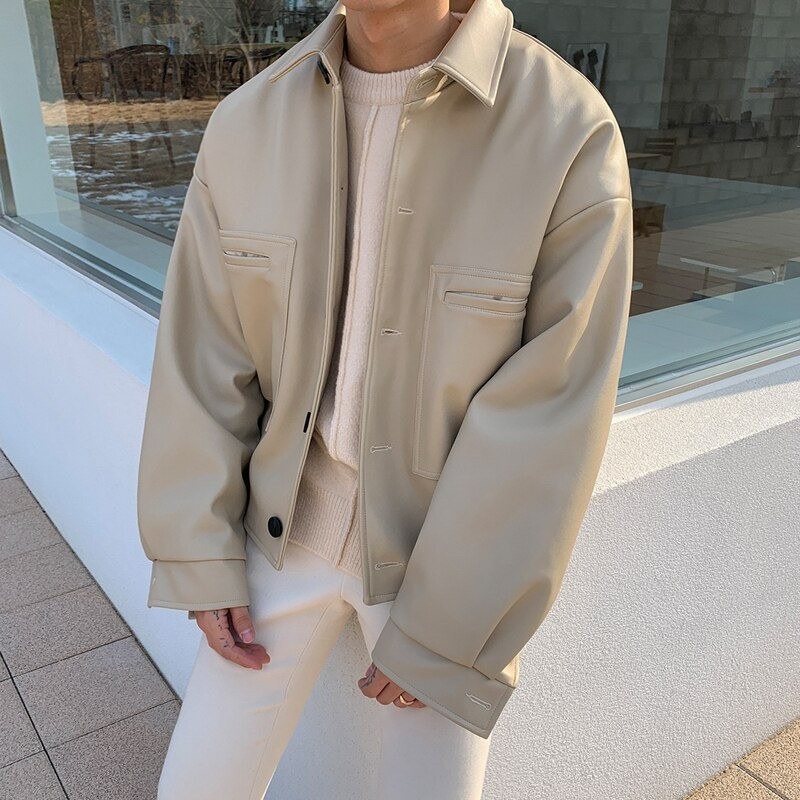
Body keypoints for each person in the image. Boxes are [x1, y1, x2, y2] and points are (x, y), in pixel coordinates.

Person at [136, 0, 634, 795]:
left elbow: (555, 411)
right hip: (279, 534)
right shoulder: (246, 124)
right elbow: (204, 353)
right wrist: (200, 552)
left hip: (441, 559)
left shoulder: (565, 132)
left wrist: (450, 626)